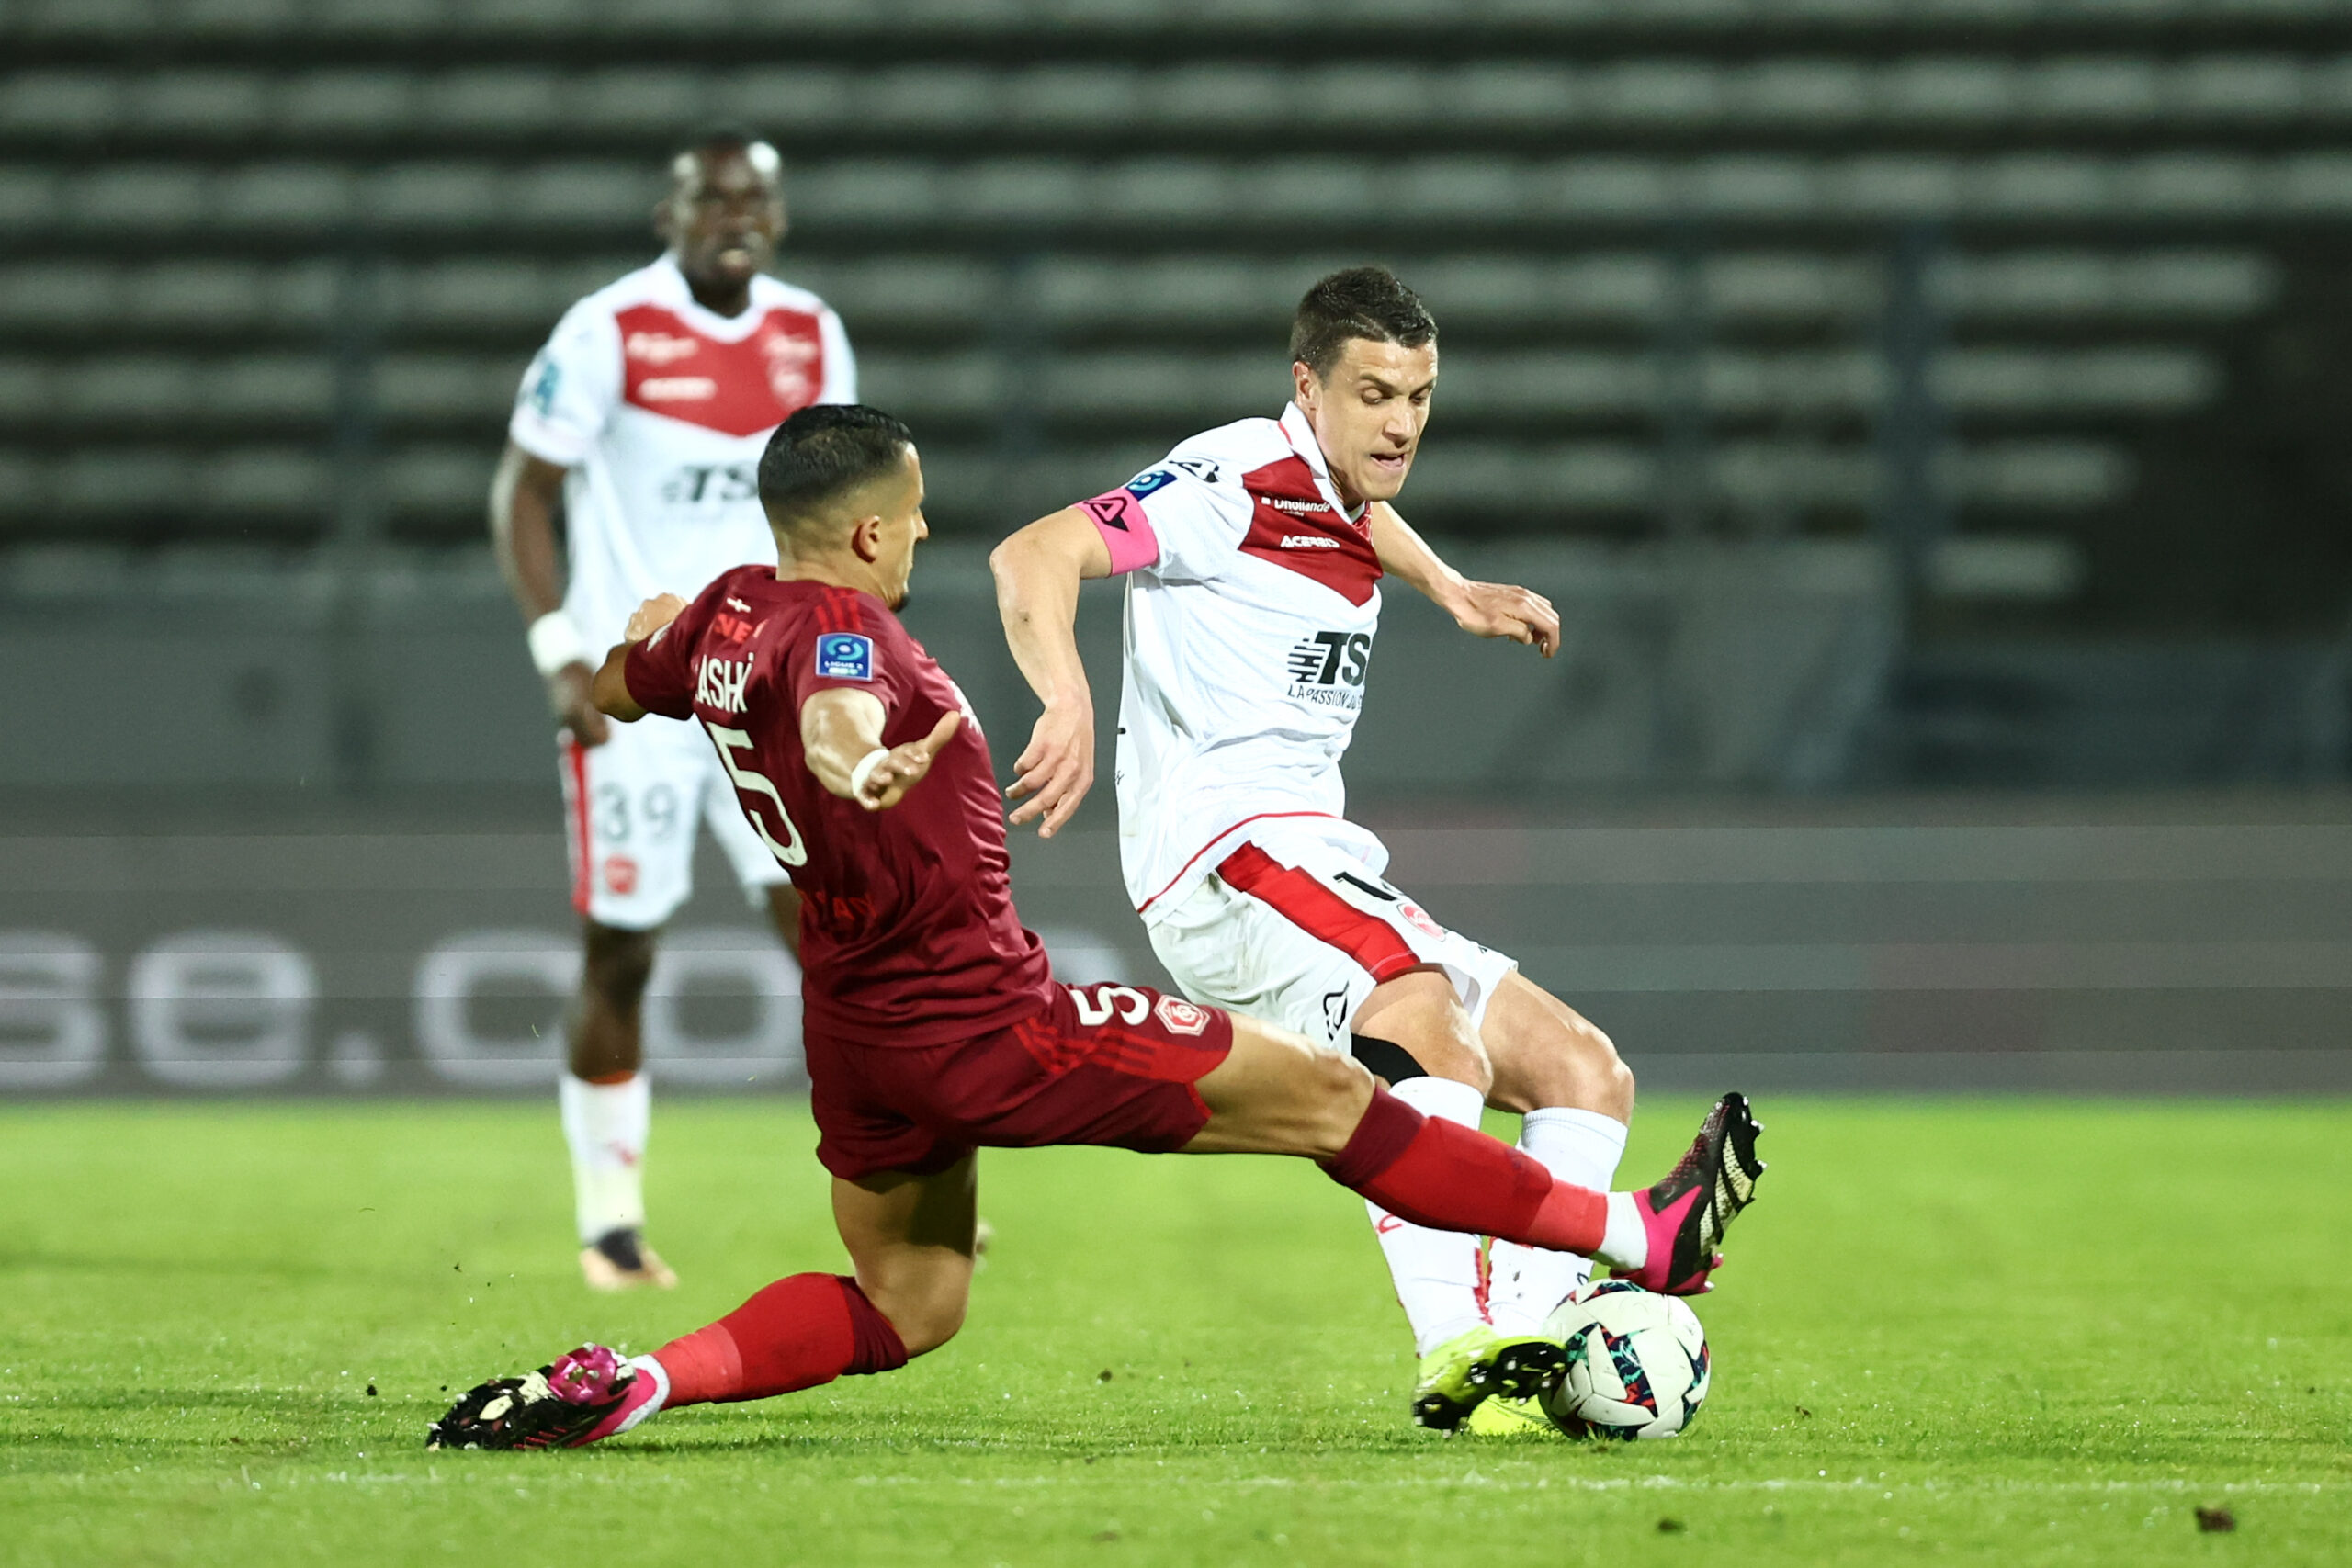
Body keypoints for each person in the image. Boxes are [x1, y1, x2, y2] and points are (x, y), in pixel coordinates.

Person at [426, 405, 1763, 1450]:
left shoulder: (726, 612)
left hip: (858, 1039)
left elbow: (615, 682)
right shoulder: (843, 635)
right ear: (875, 535)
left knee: (912, 1302)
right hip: (993, 1024)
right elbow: (836, 709)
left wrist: (643, 640)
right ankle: (1642, 1237)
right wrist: (856, 761)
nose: (931, 535)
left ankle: (639, 1377)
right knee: (1339, 1104)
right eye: (921, 516)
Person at [988, 265, 1667, 1434]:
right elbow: (1029, 555)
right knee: (1418, 1024)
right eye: (1372, 394)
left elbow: (1354, 509)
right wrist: (1064, 698)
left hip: (1316, 855)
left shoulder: (1332, 484)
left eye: (1419, 394)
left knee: (1582, 1070)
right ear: (1307, 387)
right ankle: (1460, 1345)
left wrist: (1449, 587)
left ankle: (1542, 1337)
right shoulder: (1231, 471)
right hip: (1227, 851)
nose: (1400, 422)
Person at [489, 130, 855, 1291]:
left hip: (763, 690)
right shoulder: (611, 331)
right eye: (710, 200)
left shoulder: (810, 333)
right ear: (670, 215)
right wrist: (559, 654)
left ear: (779, 218)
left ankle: (894, 1177)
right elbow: (523, 493)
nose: (733, 217)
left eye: (753, 199)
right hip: (641, 690)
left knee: (830, 937)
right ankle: (610, 1224)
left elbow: (840, 509)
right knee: (625, 952)